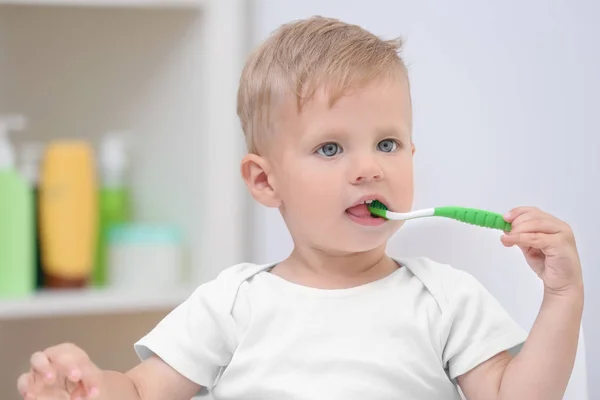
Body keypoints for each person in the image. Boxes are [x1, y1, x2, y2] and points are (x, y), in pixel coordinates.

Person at [17, 16, 583, 400]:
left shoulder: (445, 299)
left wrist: (561, 297)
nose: (369, 168)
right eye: (331, 148)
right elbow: (140, 391)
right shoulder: (231, 302)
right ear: (265, 181)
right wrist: (88, 386)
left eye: (387, 144)